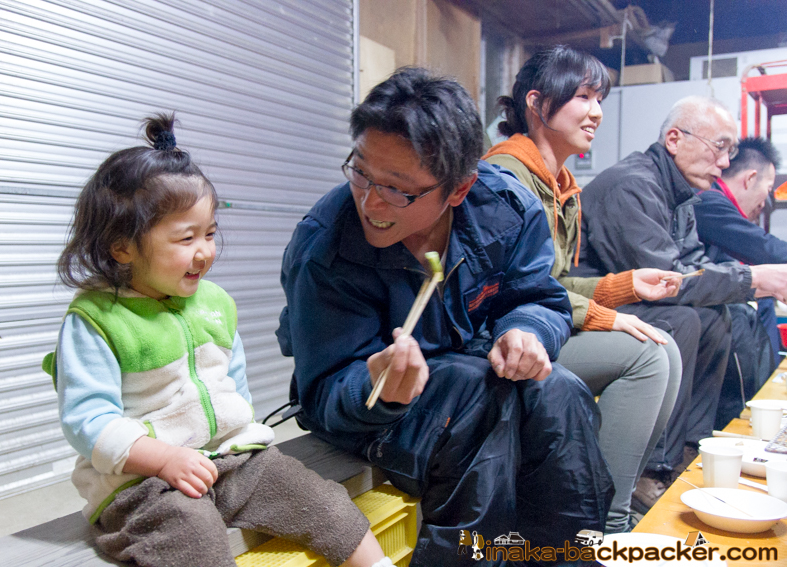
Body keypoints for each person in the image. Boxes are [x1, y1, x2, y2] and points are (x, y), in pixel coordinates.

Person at [277, 67, 614, 566]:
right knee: (475, 393)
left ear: (458, 189)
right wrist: (375, 388)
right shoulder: (325, 248)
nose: (370, 201)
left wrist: (526, 330)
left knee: (558, 390)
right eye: (361, 171)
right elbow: (323, 391)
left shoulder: (506, 208)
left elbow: (541, 298)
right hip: (372, 418)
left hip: (468, 382)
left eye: (397, 189)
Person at [43, 114, 393, 567]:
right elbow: (87, 420)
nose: (205, 250)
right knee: (193, 535)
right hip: (142, 481)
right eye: (186, 238)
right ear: (122, 247)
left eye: (209, 233)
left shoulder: (215, 304)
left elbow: (234, 389)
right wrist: (166, 460)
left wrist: (247, 440)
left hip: (229, 458)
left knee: (322, 501)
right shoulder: (97, 318)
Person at [482, 46, 683, 533]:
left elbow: (552, 280)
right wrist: (605, 316)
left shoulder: (558, 183)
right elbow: (514, 286)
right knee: (647, 356)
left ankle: (613, 503)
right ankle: (600, 525)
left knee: (666, 350)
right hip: (505, 334)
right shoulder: (506, 177)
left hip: (541, 318)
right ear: (537, 102)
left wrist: (624, 285)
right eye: (583, 96)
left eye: (599, 98)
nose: (595, 111)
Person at [573, 95, 787, 508]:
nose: (725, 163)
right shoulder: (631, 184)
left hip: (642, 299)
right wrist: (754, 278)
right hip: (593, 308)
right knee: (683, 321)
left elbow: (693, 266)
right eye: (720, 147)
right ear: (674, 138)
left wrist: (750, 285)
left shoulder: (680, 194)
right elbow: (667, 280)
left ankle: (690, 448)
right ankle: (649, 470)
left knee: (716, 317)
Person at [695, 137, 784, 426]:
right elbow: (762, 247)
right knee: (745, 311)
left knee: (762, 301)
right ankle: (752, 413)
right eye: (768, 191)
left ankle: (767, 397)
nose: (765, 202)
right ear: (750, 178)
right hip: (695, 302)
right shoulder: (708, 200)